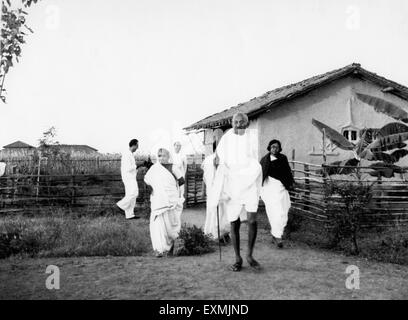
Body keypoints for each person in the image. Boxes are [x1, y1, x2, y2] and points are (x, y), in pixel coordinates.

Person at [212, 112, 262, 271]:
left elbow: (256, 157)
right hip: (232, 183)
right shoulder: (226, 138)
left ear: (247, 124)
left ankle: (249, 254)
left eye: (242, 122)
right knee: (234, 221)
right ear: (231, 122)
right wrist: (218, 165)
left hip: (250, 181)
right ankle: (237, 258)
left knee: (252, 220)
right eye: (235, 122)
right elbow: (218, 158)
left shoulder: (252, 137)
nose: (238, 124)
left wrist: (251, 171)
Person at [144, 148, 185, 257]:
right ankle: (159, 250)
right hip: (158, 201)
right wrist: (151, 188)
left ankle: (170, 249)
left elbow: (181, 182)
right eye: (159, 155)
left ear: (168, 157)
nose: (161, 158)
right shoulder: (154, 169)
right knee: (158, 226)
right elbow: (147, 179)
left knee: (170, 227)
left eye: (163, 156)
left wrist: (181, 196)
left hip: (172, 201)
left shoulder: (174, 167)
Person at [260, 139, 294, 248]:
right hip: (269, 190)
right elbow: (260, 174)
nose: (275, 149)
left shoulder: (283, 158)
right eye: (273, 147)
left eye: (277, 147)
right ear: (269, 147)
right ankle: (277, 236)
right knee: (274, 212)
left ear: (279, 149)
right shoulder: (264, 160)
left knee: (283, 211)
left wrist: (290, 183)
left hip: (281, 188)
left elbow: (287, 172)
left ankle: (276, 234)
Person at [201, 153, 230, 242]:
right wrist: (203, 190)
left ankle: (223, 233)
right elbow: (204, 177)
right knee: (212, 212)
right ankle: (213, 234)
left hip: (223, 190)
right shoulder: (208, 160)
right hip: (212, 190)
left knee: (223, 212)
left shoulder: (226, 158)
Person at [117, 139, 139, 219]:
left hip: (131, 177)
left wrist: (137, 167)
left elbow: (132, 168)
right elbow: (128, 168)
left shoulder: (130, 154)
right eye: (137, 146)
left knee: (131, 195)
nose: (137, 148)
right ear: (133, 145)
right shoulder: (127, 154)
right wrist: (137, 165)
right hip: (128, 178)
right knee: (134, 193)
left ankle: (130, 215)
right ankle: (120, 205)